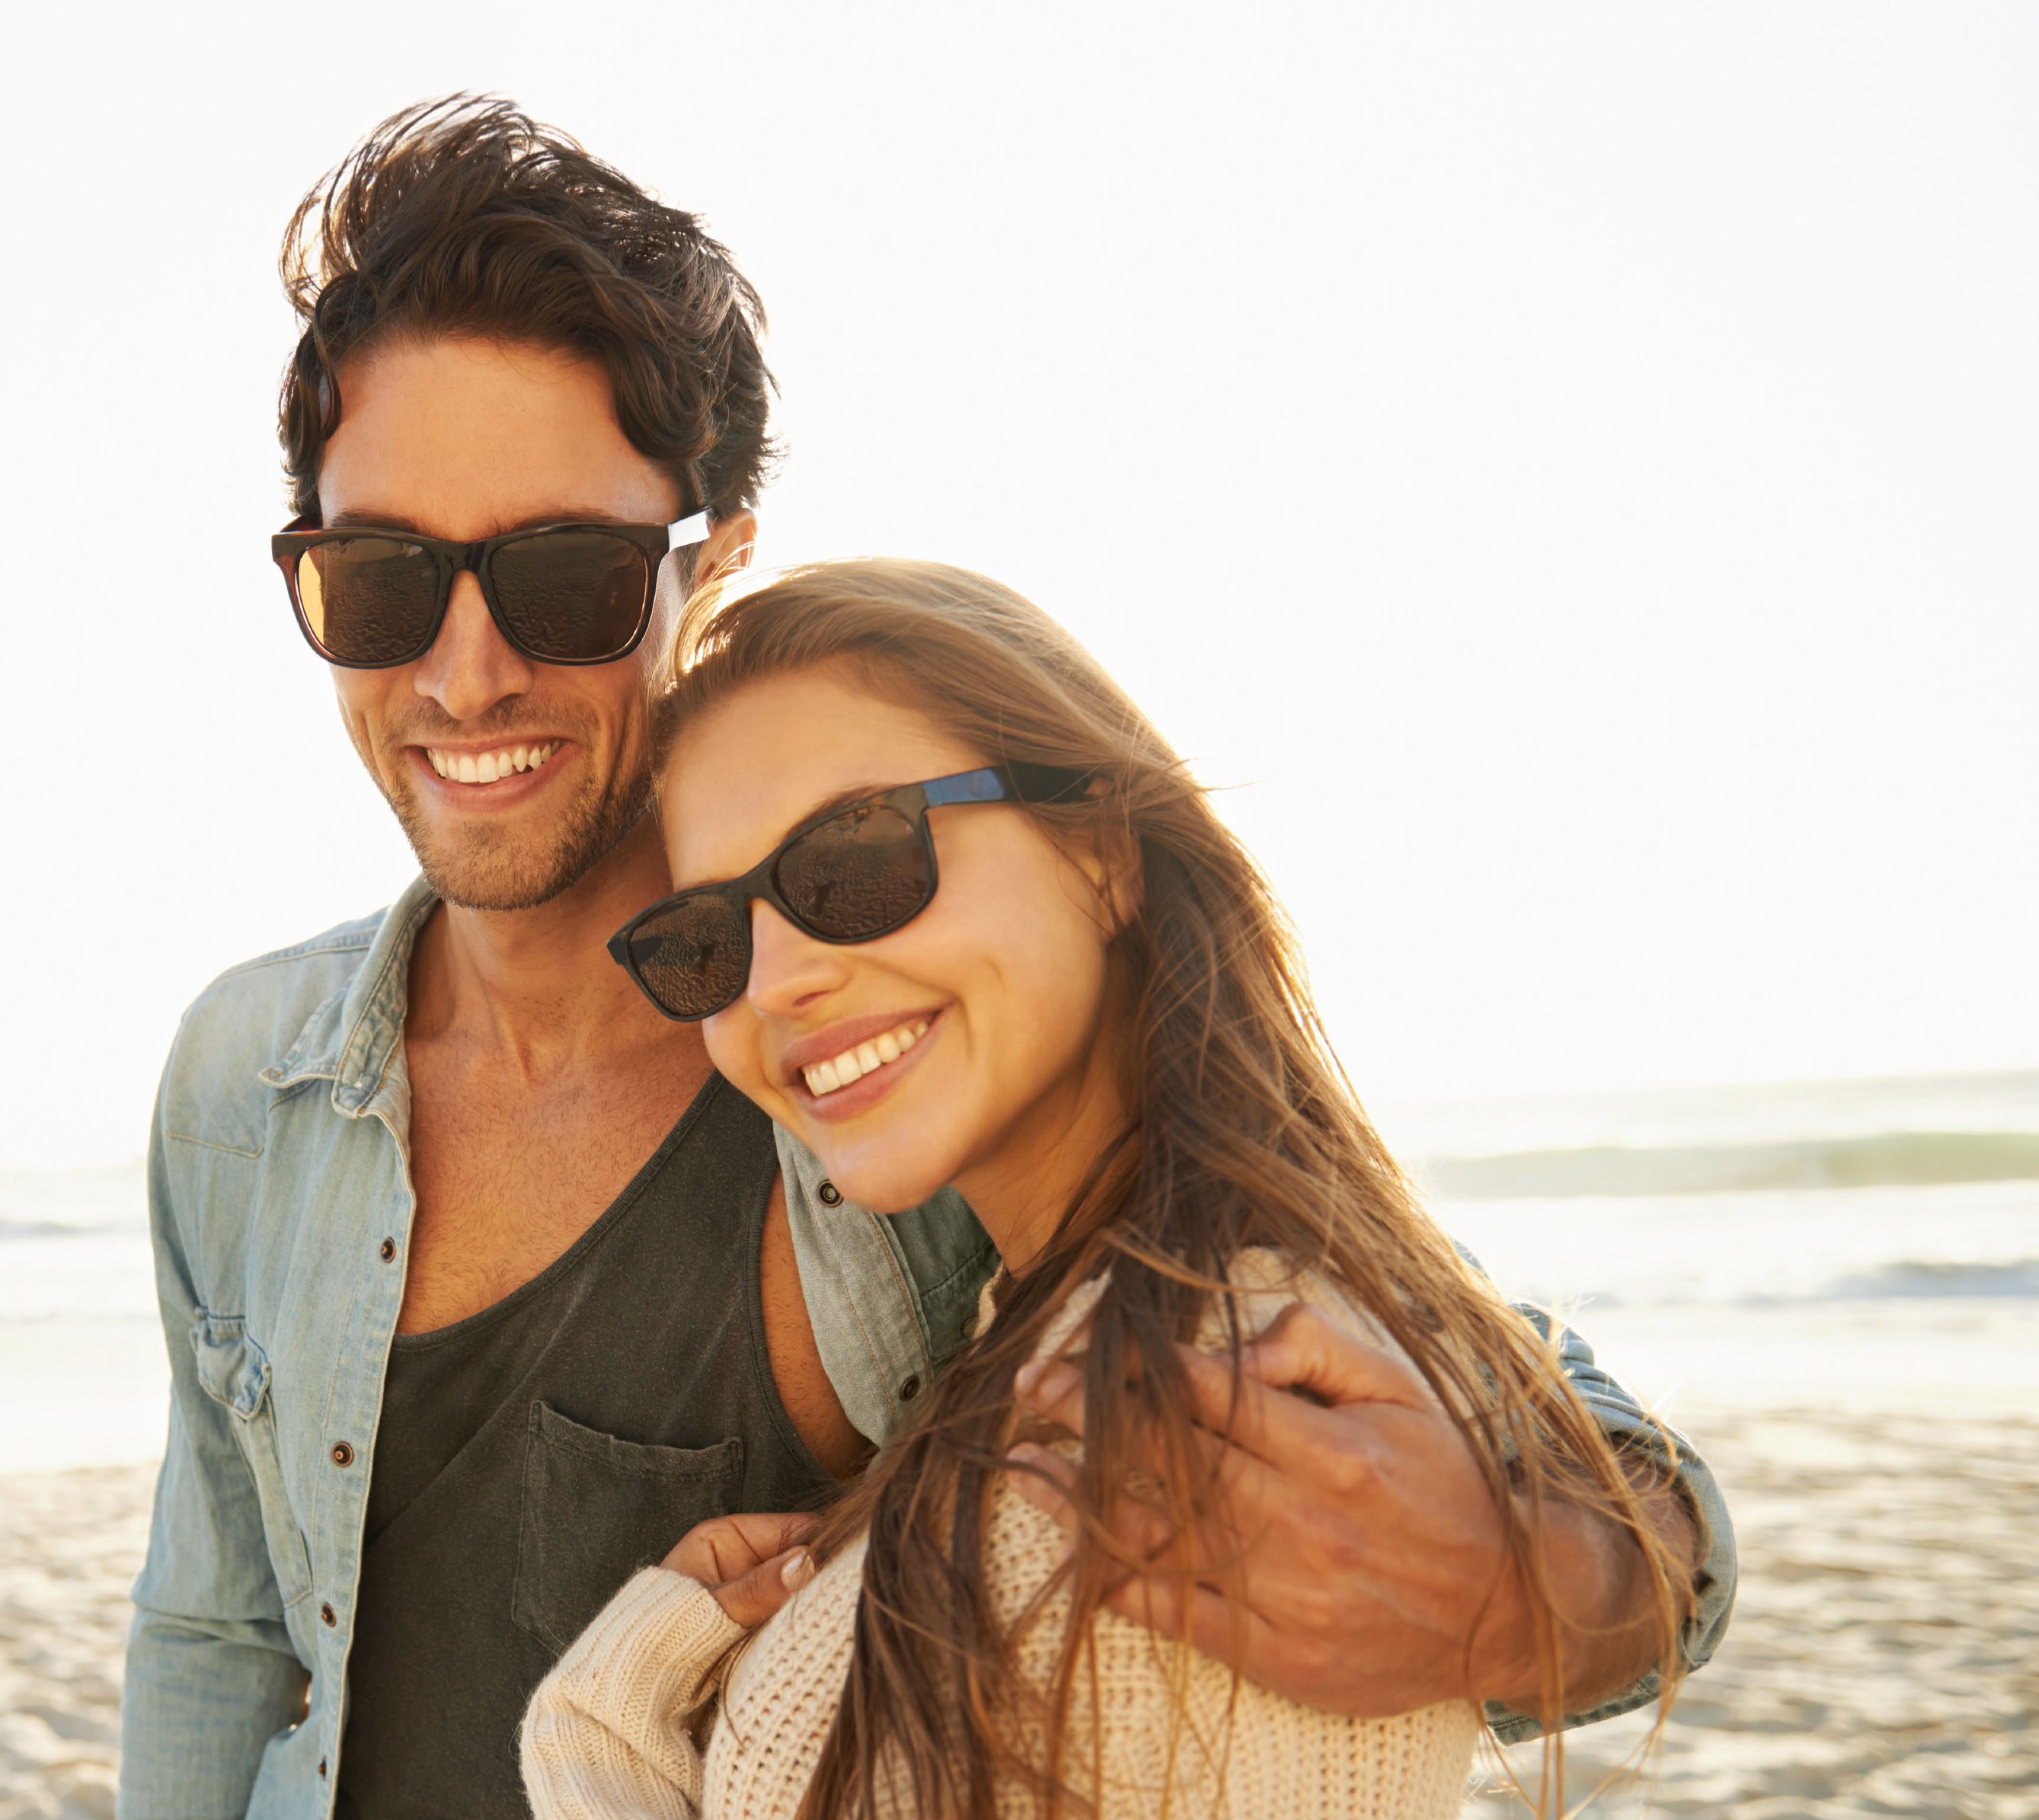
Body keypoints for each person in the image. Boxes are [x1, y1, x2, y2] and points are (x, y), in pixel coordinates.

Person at [118, 96, 1733, 1820]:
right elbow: (216, 1630)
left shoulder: (901, 1057)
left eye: (561, 577)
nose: (458, 674)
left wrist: (1529, 1581)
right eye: (377, 580)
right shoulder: (245, 1079)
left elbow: (1534, 1428)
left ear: (708, 567)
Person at [520, 561, 1702, 1817]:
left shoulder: (1193, 1394)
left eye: (854, 859)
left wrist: (596, 1724)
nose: (776, 982)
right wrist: (620, 1707)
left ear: (1098, 848)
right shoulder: (1069, 1327)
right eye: (706, 938)